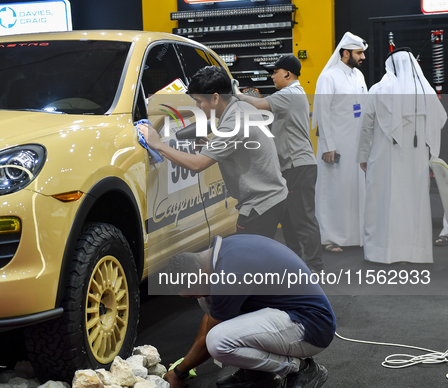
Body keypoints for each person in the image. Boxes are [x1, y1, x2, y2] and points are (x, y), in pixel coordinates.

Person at [160, 234, 335, 388]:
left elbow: (209, 339)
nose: (196, 297)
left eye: (194, 292)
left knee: (217, 342)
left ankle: (303, 369)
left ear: (201, 273)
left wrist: (179, 372)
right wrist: (188, 362)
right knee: (207, 302)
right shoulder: (222, 253)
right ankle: (258, 372)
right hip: (289, 313)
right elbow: (210, 317)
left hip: (312, 326)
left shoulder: (228, 275)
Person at [138, 66, 288, 239]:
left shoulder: (234, 123)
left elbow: (197, 165)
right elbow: (243, 148)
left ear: (215, 98)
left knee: (248, 262)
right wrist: (211, 146)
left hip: (260, 205)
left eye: (199, 101)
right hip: (272, 198)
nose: (196, 107)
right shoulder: (241, 109)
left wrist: (158, 145)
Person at [357, 48, 446, 264]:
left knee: (383, 203)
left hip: (383, 159)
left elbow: (366, 126)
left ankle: (383, 252)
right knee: (413, 205)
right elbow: (440, 119)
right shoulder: (424, 91)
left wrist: (362, 156)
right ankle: (414, 253)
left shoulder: (378, 89)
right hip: (416, 160)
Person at [236, 55, 323, 272]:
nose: (272, 76)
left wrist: (235, 93)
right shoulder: (288, 95)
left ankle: (314, 266)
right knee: (290, 220)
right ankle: (296, 264)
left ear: (288, 74)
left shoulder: (290, 93)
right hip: (291, 167)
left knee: (303, 219)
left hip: (298, 166)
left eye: (275, 72)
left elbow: (257, 104)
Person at [312, 32, 369, 253]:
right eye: (359, 53)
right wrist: (328, 146)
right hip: (335, 145)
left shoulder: (358, 76)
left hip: (356, 144)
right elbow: (323, 114)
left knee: (354, 189)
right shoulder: (329, 77)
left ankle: (355, 235)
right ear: (345, 53)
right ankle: (329, 238)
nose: (362, 57)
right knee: (333, 191)